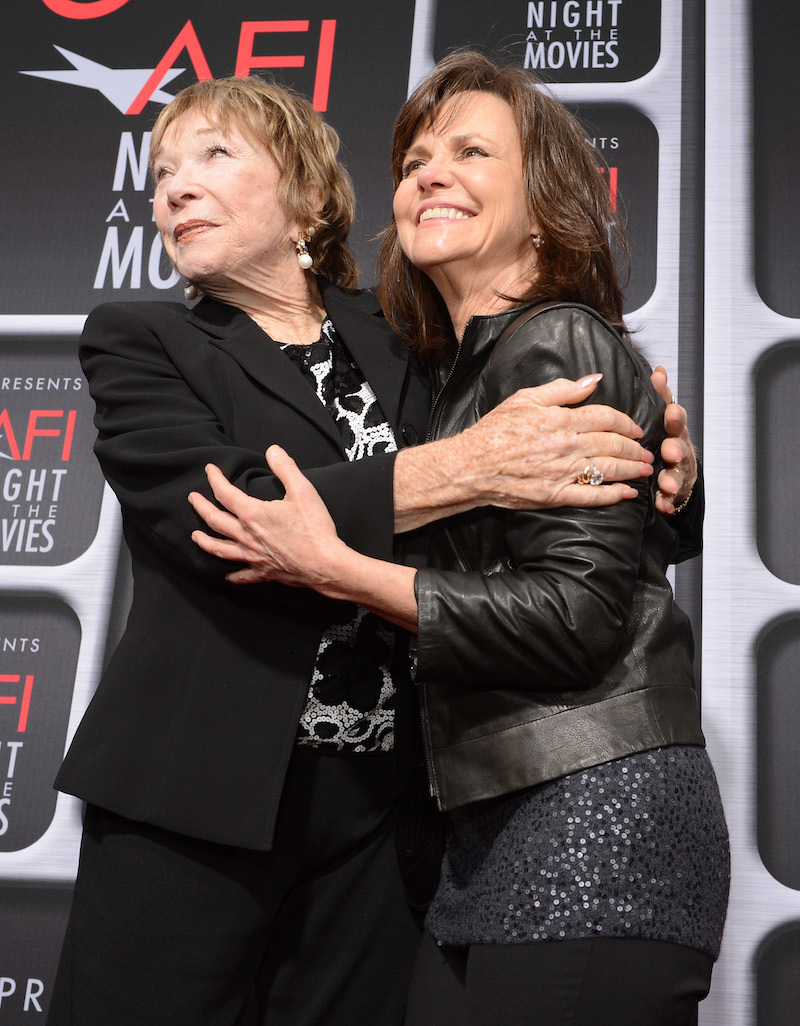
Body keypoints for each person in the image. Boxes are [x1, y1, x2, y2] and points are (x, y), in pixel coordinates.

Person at [50, 76, 698, 1026]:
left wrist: (662, 465)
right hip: (192, 804)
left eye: (214, 157)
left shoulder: (405, 339)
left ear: (309, 198)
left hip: (379, 819)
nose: (175, 190)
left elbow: (535, 510)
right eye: (162, 174)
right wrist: (470, 465)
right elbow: (240, 512)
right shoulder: (140, 339)